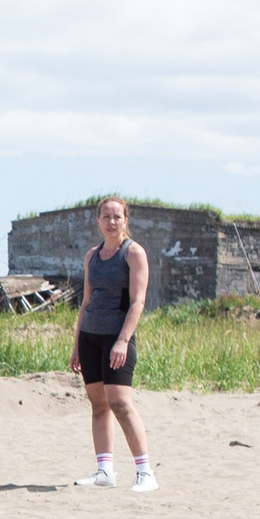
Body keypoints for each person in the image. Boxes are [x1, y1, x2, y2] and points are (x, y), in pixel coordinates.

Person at [69, 196, 156, 492]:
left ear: (125, 220)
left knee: (120, 402)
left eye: (117, 216)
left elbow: (138, 302)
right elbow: (86, 301)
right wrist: (77, 343)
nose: (111, 222)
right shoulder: (92, 256)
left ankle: (145, 473)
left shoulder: (133, 253)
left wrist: (123, 340)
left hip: (117, 338)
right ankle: (104, 470)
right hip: (90, 336)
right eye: (106, 217)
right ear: (98, 221)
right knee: (98, 404)